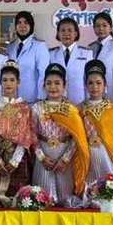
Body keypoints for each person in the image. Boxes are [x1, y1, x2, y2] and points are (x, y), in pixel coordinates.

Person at [30, 64, 89, 207]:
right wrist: (41, 157)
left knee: (65, 199)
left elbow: (76, 138)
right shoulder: (36, 108)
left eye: (57, 83)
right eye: (49, 83)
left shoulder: (71, 109)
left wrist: (65, 159)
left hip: (64, 155)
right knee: (42, 198)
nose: (53, 87)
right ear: (43, 86)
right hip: (44, 154)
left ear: (64, 86)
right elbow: (32, 134)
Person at [0, 60, 35, 207]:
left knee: (17, 199)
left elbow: (25, 136)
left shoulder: (24, 106)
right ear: (0, 82)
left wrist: (15, 160)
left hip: (17, 157)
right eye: (5, 80)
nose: (8, 84)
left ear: (18, 82)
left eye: (12, 80)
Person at [79, 60, 113, 205]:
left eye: (98, 83)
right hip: (87, 154)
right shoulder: (79, 109)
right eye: (90, 83)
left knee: (108, 184)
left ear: (105, 85)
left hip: (107, 155)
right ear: (86, 86)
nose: (95, 87)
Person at [5, 11, 50, 104]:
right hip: (12, 99)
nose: (22, 26)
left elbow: (43, 74)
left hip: (32, 99)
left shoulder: (39, 46)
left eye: (26, 22)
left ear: (31, 25)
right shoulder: (10, 47)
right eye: (19, 23)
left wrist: (41, 97)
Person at [49, 17, 94, 105]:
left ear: (76, 33)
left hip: (79, 102)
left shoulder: (86, 53)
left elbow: (89, 80)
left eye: (70, 30)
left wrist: (88, 102)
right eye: (63, 30)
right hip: (57, 102)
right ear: (58, 34)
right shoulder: (51, 54)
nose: (66, 34)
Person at [87, 11, 113, 101]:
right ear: (94, 28)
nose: (101, 28)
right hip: (93, 95)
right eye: (97, 26)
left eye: (104, 25)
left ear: (111, 27)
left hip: (112, 95)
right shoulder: (91, 48)